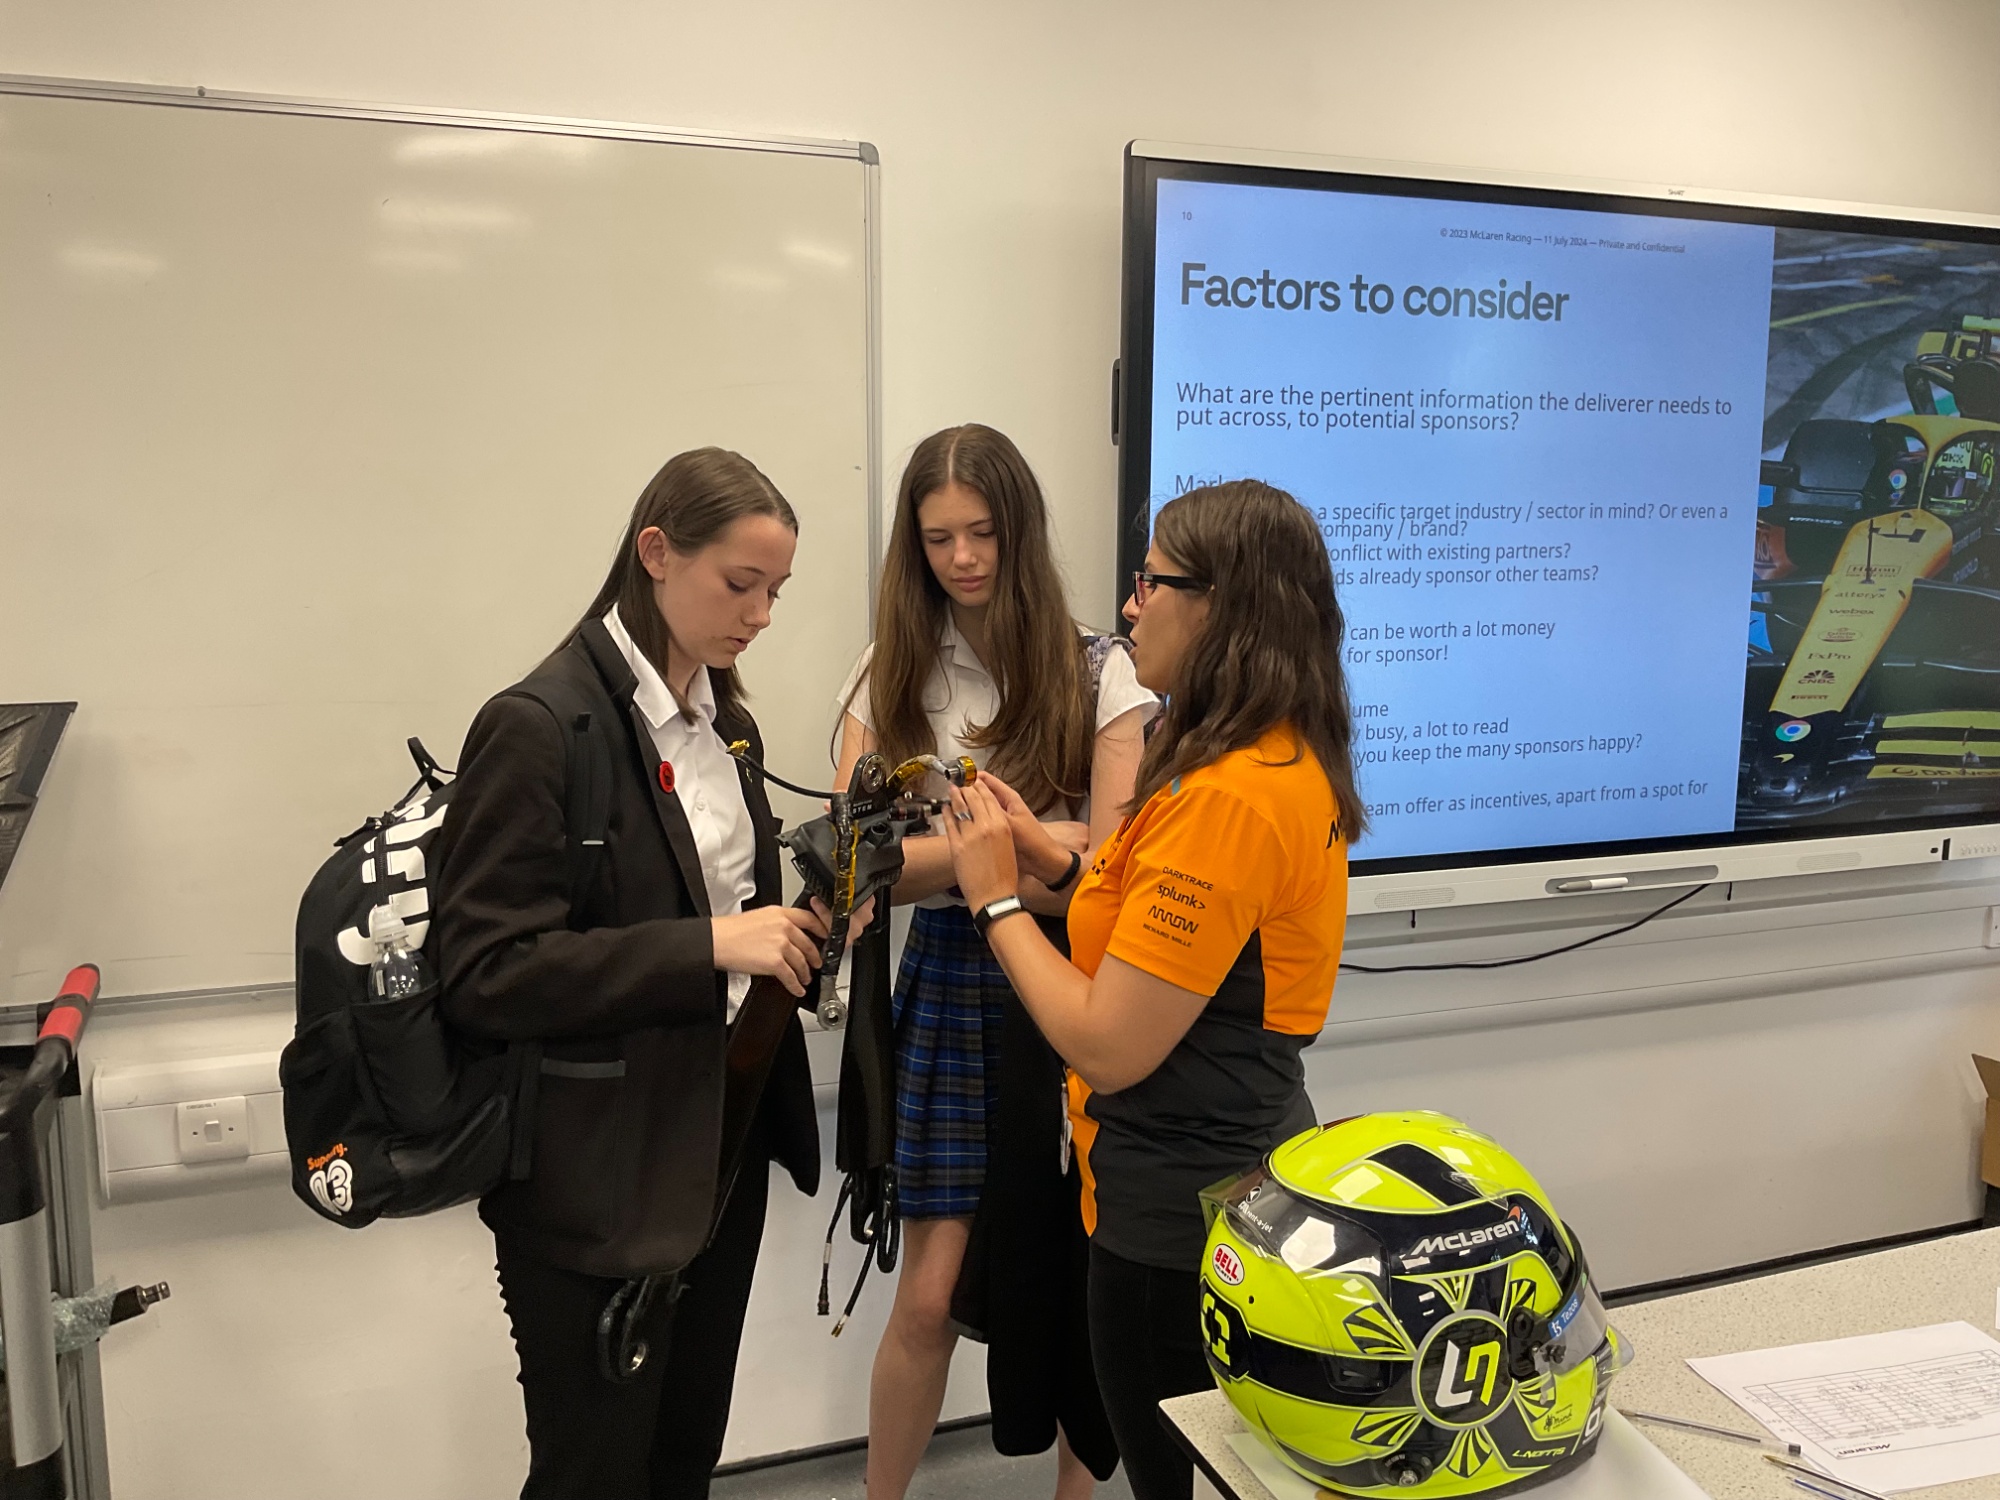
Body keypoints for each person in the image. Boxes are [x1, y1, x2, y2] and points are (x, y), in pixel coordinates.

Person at [432, 448, 868, 1499]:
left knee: (681, 1459)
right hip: (594, 1180)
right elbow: (487, 971)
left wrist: (809, 930)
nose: (760, 613)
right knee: (592, 1473)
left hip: (715, 1149)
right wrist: (715, 945)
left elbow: (732, 926)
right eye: (738, 584)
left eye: (776, 590)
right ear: (656, 553)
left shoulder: (733, 727)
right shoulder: (538, 729)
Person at [943, 478, 1365, 1500]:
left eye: (1152, 582)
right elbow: (1169, 938)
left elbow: (1107, 1041)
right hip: (1223, 1183)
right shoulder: (1258, 758)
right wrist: (1054, 863)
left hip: (1172, 1224)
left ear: (1222, 607)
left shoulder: (1226, 796)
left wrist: (996, 905)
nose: (1130, 606)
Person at [835, 424, 1156, 1500]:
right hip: (954, 990)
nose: (963, 558)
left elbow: (1103, 872)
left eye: (981, 533)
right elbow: (854, 863)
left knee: (1079, 1281)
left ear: (1019, 532)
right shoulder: (888, 673)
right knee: (926, 1294)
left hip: (1074, 981)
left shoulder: (1102, 671)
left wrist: (968, 855)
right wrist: (1019, 844)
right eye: (937, 539)